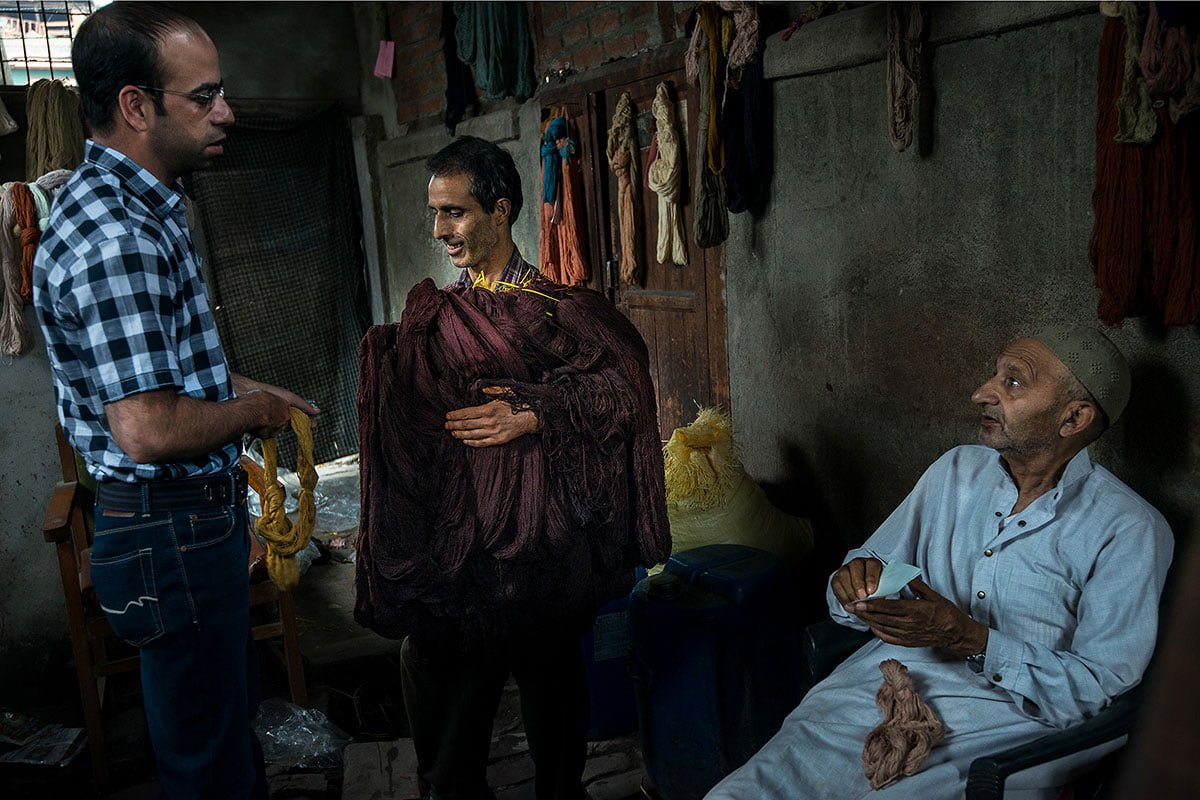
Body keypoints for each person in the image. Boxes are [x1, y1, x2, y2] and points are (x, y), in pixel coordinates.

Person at [32, 5, 316, 798]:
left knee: (220, 736)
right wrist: (255, 415)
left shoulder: (133, 208)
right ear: (136, 106)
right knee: (208, 765)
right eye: (203, 96)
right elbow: (150, 429)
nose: (226, 112)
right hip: (171, 532)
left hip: (178, 530)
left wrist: (254, 389)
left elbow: (163, 375)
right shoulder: (118, 238)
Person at [705, 326, 1173, 800]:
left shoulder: (1128, 528)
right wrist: (857, 583)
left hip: (1007, 725)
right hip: (883, 685)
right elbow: (872, 563)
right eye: (995, 375)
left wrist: (968, 638)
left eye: (1013, 382)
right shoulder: (956, 471)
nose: (981, 393)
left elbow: (1098, 689)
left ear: (1073, 418)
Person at [354, 136, 669, 800]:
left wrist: (534, 413)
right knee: (447, 673)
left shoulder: (559, 310)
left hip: (545, 544)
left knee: (550, 675)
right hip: (465, 544)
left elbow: (627, 394)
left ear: (501, 211)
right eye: (435, 213)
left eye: (456, 212)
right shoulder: (439, 319)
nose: (440, 231)